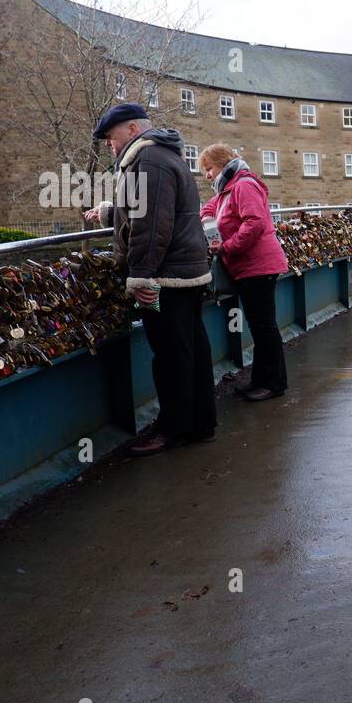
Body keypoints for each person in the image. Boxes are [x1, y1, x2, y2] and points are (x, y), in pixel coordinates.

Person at [83, 103, 215, 457]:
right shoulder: (161, 156)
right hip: (185, 272)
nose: (110, 145)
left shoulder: (148, 160)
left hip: (166, 277)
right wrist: (111, 212)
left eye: (111, 138)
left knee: (170, 356)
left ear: (130, 130)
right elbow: (149, 209)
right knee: (191, 349)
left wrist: (139, 276)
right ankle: (200, 422)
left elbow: (152, 225)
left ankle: (173, 428)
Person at [198, 144, 288, 402]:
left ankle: (273, 384)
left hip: (258, 266)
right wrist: (208, 221)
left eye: (209, 169)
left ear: (223, 163)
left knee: (264, 327)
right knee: (259, 327)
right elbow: (209, 208)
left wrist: (227, 246)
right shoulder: (227, 189)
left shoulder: (243, 185)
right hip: (248, 267)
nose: (207, 175)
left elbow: (255, 222)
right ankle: (261, 381)